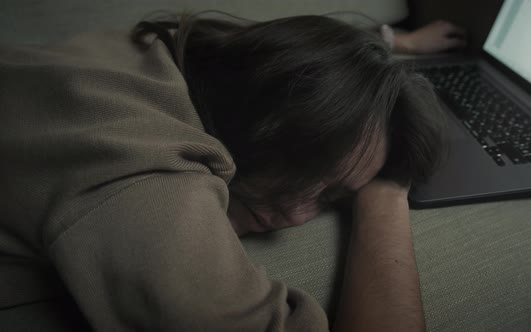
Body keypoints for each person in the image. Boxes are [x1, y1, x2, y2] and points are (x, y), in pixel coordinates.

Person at [0, 11, 465, 331]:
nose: (299, 215)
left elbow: (291, 55)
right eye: (303, 162)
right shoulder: (147, 185)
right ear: (261, 108)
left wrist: (396, 43)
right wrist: (384, 196)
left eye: (331, 198)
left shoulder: (166, 51)